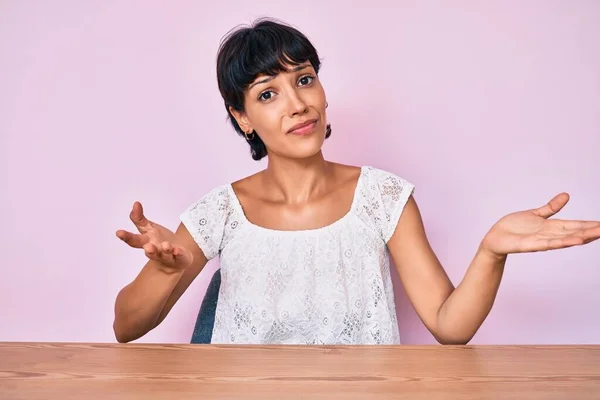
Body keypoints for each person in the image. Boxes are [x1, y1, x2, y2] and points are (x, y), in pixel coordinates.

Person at [113, 18, 600, 345]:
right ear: (242, 118)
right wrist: (162, 270)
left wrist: (491, 251)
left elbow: (451, 326)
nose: (297, 104)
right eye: (268, 94)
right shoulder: (219, 211)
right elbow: (126, 327)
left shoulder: (384, 198)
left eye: (304, 80)